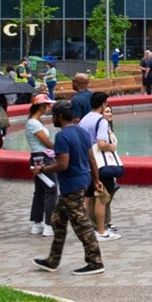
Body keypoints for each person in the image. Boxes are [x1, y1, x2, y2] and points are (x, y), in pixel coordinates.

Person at [32, 102, 104, 275]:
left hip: (72, 184)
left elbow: (63, 165)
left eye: (54, 115)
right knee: (57, 220)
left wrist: (42, 169)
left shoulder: (62, 136)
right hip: (82, 180)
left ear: (60, 116)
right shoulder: (81, 132)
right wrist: (95, 180)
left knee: (81, 224)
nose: (52, 118)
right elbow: (92, 159)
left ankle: (95, 262)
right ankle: (53, 260)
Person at [24, 94, 56, 237]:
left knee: (40, 191)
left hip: (38, 157)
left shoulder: (34, 122)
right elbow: (45, 141)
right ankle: (49, 224)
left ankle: (37, 223)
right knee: (51, 189)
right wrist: (59, 148)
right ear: (41, 106)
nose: (49, 107)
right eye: (47, 105)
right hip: (42, 157)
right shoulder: (33, 123)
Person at [90, 103, 121, 239]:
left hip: (108, 165)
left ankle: (105, 223)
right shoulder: (102, 128)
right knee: (103, 197)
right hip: (104, 166)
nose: (109, 114)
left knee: (107, 197)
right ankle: (100, 226)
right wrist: (111, 147)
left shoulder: (108, 128)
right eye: (106, 111)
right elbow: (102, 145)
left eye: (110, 112)